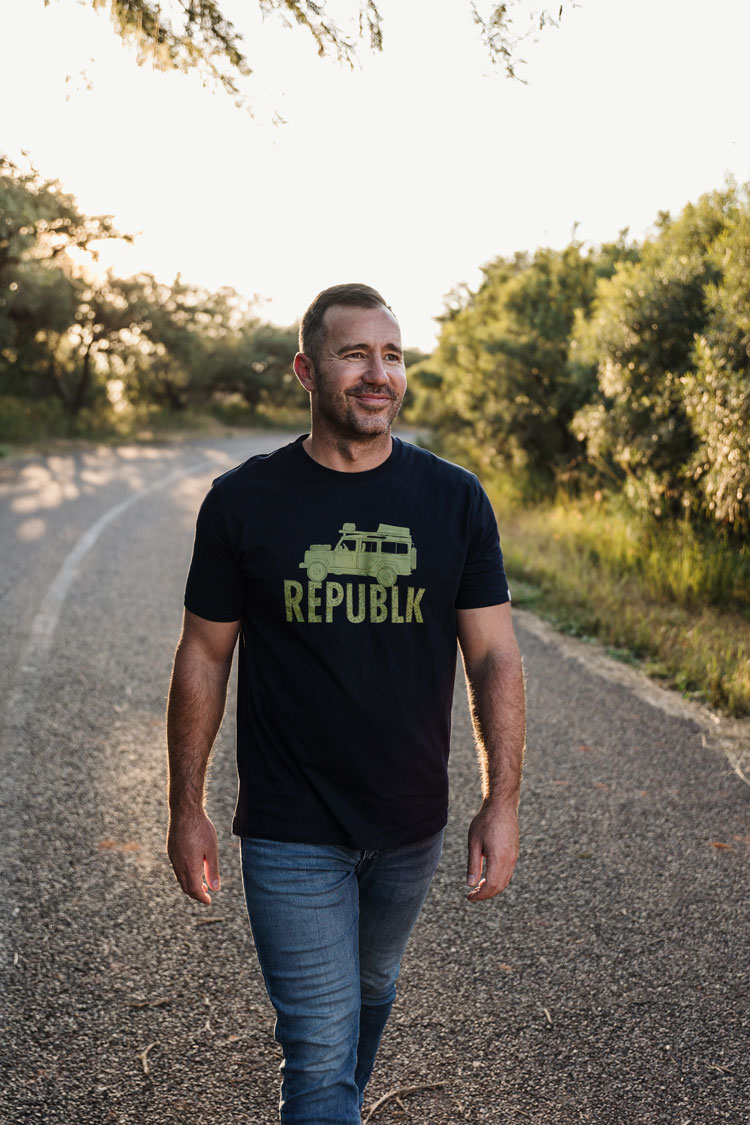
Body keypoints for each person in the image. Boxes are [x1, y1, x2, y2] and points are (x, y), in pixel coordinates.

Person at [166, 283, 525, 1124]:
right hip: (290, 823)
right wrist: (186, 807)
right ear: (307, 370)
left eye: (392, 354)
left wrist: (501, 801)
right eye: (354, 353)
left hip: (410, 822)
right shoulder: (244, 501)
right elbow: (203, 655)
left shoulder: (454, 499)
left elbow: (495, 655)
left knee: (370, 987)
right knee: (319, 1048)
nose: (378, 373)